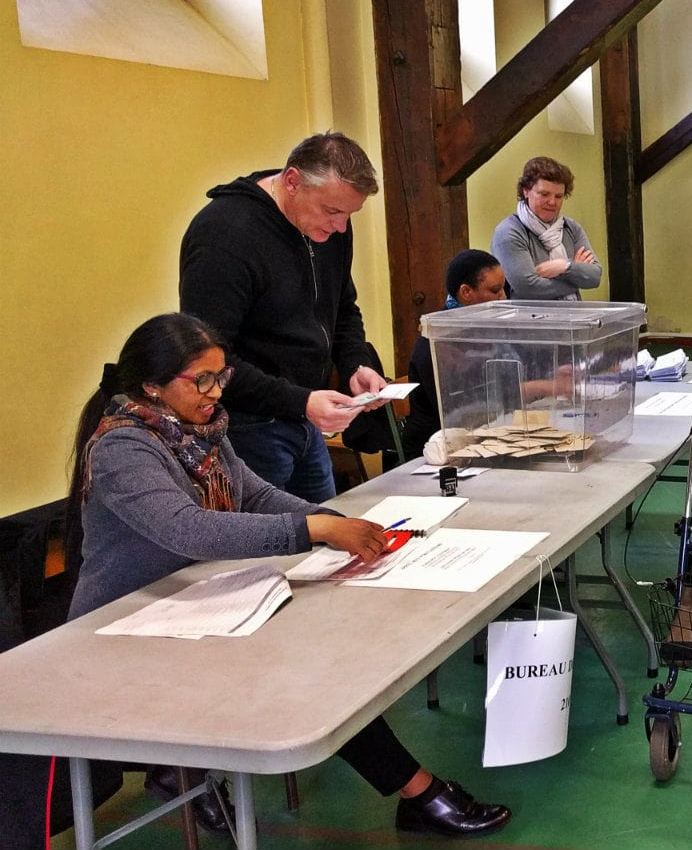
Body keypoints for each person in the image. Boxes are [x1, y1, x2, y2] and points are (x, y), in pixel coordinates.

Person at [70, 313, 512, 837]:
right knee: (308, 668)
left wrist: (338, 524)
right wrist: (312, 529)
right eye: (201, 380)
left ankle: (185, 770)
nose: (215, 392)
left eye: (221, 377)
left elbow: (252, 494)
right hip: (127, 631)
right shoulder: (124, 446)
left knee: (316, 653)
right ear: (151, 386)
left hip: (192, 606)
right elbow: (190, 531)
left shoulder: (200, 430)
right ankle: (419, 794)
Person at [179, 132, 392, 503]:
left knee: (322, 540)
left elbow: (343, 308)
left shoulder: (331, 226)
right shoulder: (224, 235)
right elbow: (208, 361)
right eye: (332, 212)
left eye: (349, 215)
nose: (341, 227)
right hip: (246, 428)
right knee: (268, 549)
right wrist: (300, 400)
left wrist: (355, 364)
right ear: (292, 181)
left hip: (306, 419)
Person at [401, 249, 508, 460]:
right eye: (495, 290)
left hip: (480, 437)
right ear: (466, 292)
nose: (503, 297)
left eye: (504, 288)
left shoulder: (486, 330)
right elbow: (462, 409)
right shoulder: (435, 341)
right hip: (436, 451)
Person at [491, 156, 601, 301]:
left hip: (573, 318)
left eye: (559, 196)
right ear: (526, 191)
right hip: (531, 321)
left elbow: (595, 277)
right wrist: (577, 276)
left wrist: (564, 266)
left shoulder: (571, 227)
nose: (552, 202)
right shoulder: (509, 231)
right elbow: (528, 288)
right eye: (544, 194)